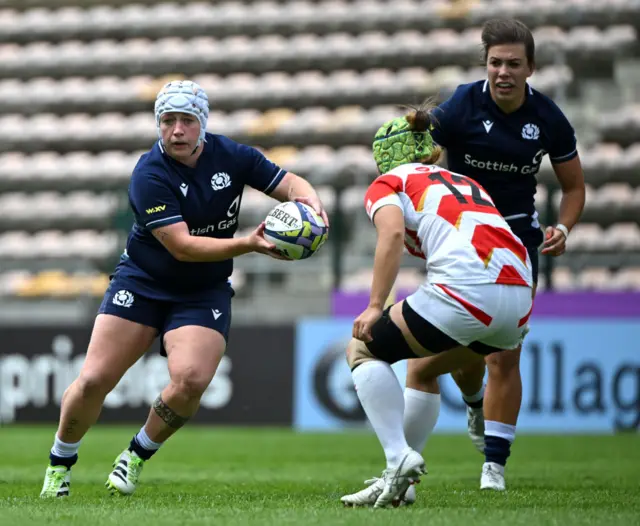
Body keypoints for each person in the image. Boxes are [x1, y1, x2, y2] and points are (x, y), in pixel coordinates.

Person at [40, 79, 328, 498]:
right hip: (142, 282)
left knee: (191, 380)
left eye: (186, 121)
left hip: (203, 290)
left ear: (202, 124)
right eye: (167, 121)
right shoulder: (148, 174)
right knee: (93, 380)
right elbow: (183, 247)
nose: (176, 130)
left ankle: (135, 455)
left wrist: (312, 205)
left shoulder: (232, 155)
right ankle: (60, 463)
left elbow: (290, 183)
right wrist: (249, 243)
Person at [370, 17, 586, 501]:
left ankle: (494, 466)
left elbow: (574, 187)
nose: (502, 72)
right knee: (467, 356)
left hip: (518, 241)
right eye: (495, 63)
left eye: (513, 63)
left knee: (503, 354)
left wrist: (564, 227)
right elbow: (422, 145)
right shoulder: (464, 103)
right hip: (461, 242)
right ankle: (472, 402)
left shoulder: (548, 118)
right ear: (484, 64)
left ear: (530, 67)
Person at [340, 107, 534, 508]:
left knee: (361, 348)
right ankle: (407, 483)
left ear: (383, 158)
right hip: (519, 298)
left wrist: (376, 305)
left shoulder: (388, 183)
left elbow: (392, 234)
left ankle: (398, 458)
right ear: (430, 152)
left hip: (468, 289)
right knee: (424, 367)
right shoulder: (465, 181)